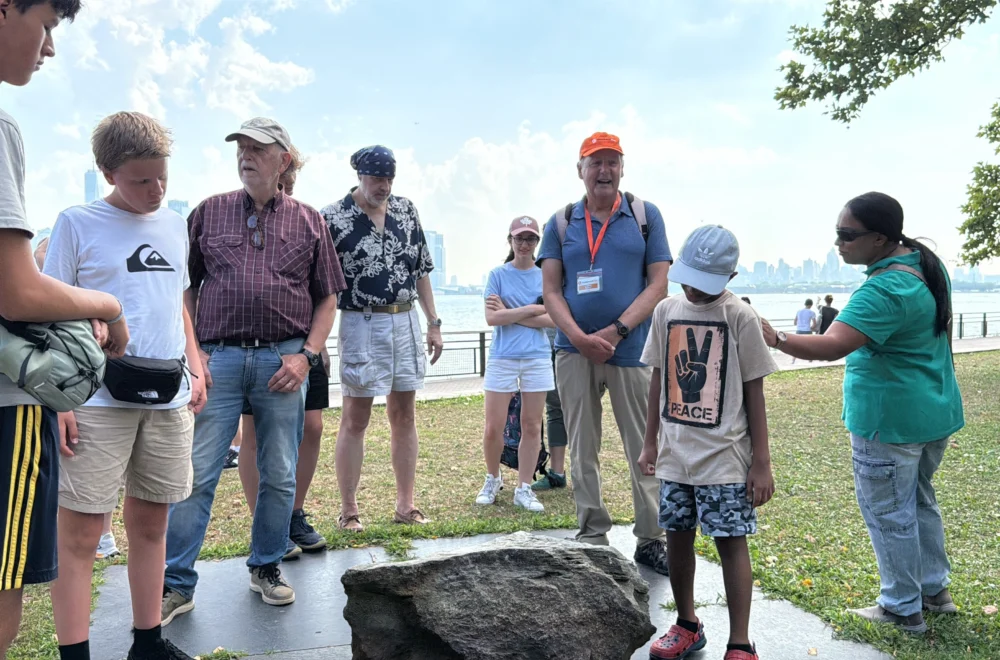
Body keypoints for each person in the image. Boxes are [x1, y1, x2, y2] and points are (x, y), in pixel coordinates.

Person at [162, 118, 345, 623]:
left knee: (280, 472)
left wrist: (306, 354)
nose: (245, 156)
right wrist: (195, 357)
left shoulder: (309, 221)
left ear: (283, 159)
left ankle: (266, 566)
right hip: (217, 359)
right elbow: (184, 289)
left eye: (257, 149)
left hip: (281, 359)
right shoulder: (208, 213)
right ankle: (175, 584)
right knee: (197, 474)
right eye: (240, 147)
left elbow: (327, 296)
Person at [761, 192, 964, 634]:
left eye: (846, 235)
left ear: (878, 238)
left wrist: (773, 337)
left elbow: (831, 346)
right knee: (919, 501)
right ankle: (934, 591)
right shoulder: (926, 266)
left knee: (889, 512)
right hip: (934, 412)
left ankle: (901, 607)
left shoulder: (885, 289)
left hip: (889, 422)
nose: (838, 242)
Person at [46, 112, 204, 660]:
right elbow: (50, 311)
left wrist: (196, 362)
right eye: (141, 180)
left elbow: (177, 304)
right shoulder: (77, 222)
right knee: (81, 534)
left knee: (152, 523)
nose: (155, 190)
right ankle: (76, 653)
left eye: (162, 177)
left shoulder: (175, 222)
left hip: (167, 393)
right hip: (95, 398)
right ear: (108, 172)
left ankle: (148, 643)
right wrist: (58, 402)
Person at [0, 2, 131, 656]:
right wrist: (104, 307)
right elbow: (19, 291)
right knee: (2, 601)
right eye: (47, 23)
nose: (49, 46)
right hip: (8, 403)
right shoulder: (0, 126)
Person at [638, 225, 776, 660]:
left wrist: (761, 462)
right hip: (676, 455)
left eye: (705, 282)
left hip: (725, 456)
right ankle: (686, 622)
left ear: (730, 279)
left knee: (731, 542)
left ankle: (740, 642)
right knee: (677, 537)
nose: (693, 289)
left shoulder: (739, 316)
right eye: (687, 277)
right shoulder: (666, 310)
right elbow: (658, 378)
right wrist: (649, 442)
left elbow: (754, 390)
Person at [538, 131, 672, 575]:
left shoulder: (644, 216)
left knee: (644, 444)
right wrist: (578, 336)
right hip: (573, 351)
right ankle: (593, 532)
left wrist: (615, 331)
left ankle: (651, 538)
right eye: (595, 162)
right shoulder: (561, 222)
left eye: (612, 162)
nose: (604, 171)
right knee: (582, 445)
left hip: (632, 349)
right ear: (580, 170)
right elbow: (551, 291)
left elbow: (658, 284)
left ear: (622, 168)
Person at [321, 145, 443, 532]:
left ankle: (405, 505)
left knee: (404, 414)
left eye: (389, 178)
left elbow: (421, 268)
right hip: (360, 320)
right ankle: (349, 509)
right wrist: (318, 339)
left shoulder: (406, 210)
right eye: (376, 178)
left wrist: (434, 321)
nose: (384, 186)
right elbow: (320, 286)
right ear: (359, 175)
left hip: (404, 318)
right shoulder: (332, 218)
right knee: (355, 418)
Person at [237, 144, 329, 556]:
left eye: (290, 183)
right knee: (256, 436)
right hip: (259, 349)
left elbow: (325, 290)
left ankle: (291, 513)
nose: (285, 191)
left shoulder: (308, 221)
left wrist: (315, 347)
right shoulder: (243, 219)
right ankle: (266, 526)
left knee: (311, 429)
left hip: (307, 346)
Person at [475, 216, 554, 512]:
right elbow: (492, 318)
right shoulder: (497, 274)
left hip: (536, 357)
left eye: (531, 239)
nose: (524, 244)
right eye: (519, 238)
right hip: (502, 356)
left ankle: (524, 486)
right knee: (493, 427)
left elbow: (553, 319)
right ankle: (493, 478)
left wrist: (512, 311)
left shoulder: (546, 275)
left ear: (537, 243)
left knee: (531, 425)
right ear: (509, 240)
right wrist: (534, 309)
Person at [531, 322, 567, 491]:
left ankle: (585, 473)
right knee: (554, 409)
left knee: (579, 410)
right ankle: (557, 473)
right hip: (545, 348)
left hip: (570, 347)